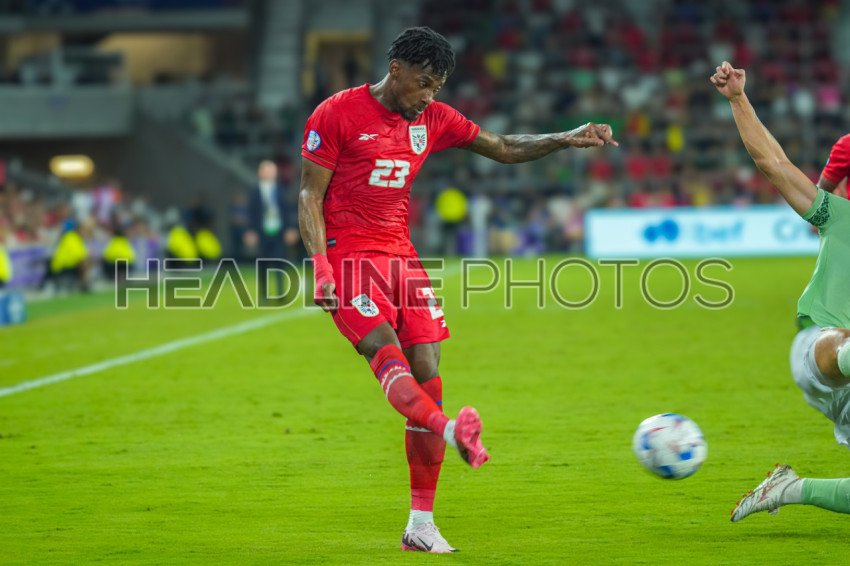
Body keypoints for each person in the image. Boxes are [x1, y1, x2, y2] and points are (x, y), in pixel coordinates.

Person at [298, 26, 618, 553]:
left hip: (403, 258)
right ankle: (450, 431)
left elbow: (504, 146)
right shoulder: (336, 113)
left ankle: (420, 526)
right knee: (385, 351)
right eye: (423, 83)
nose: (429, 96)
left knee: (428, 370)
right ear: (396, 69)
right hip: (349, 257)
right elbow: (310, 195)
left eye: (437, 87)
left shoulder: (435, 119)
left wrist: (566, 137)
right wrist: (321, 267)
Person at [710, 61, 850, 522]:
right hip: (821, 351)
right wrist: (738, 98)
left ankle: (789, 488)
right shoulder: (841, 217)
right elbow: (774, 164)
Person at [245, 160, 299, 304]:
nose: (268, 173)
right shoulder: (254, 191)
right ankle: (263, 294)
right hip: (262, 232)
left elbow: (288, 210)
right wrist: (250, 231)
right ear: (259, 172)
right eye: (265, 170)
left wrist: (291, 228)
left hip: (279, 232)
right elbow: (251, 212)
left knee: (280, 261)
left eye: (271, 170)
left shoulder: (281, 190)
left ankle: (281, 293)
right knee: (262, 263)